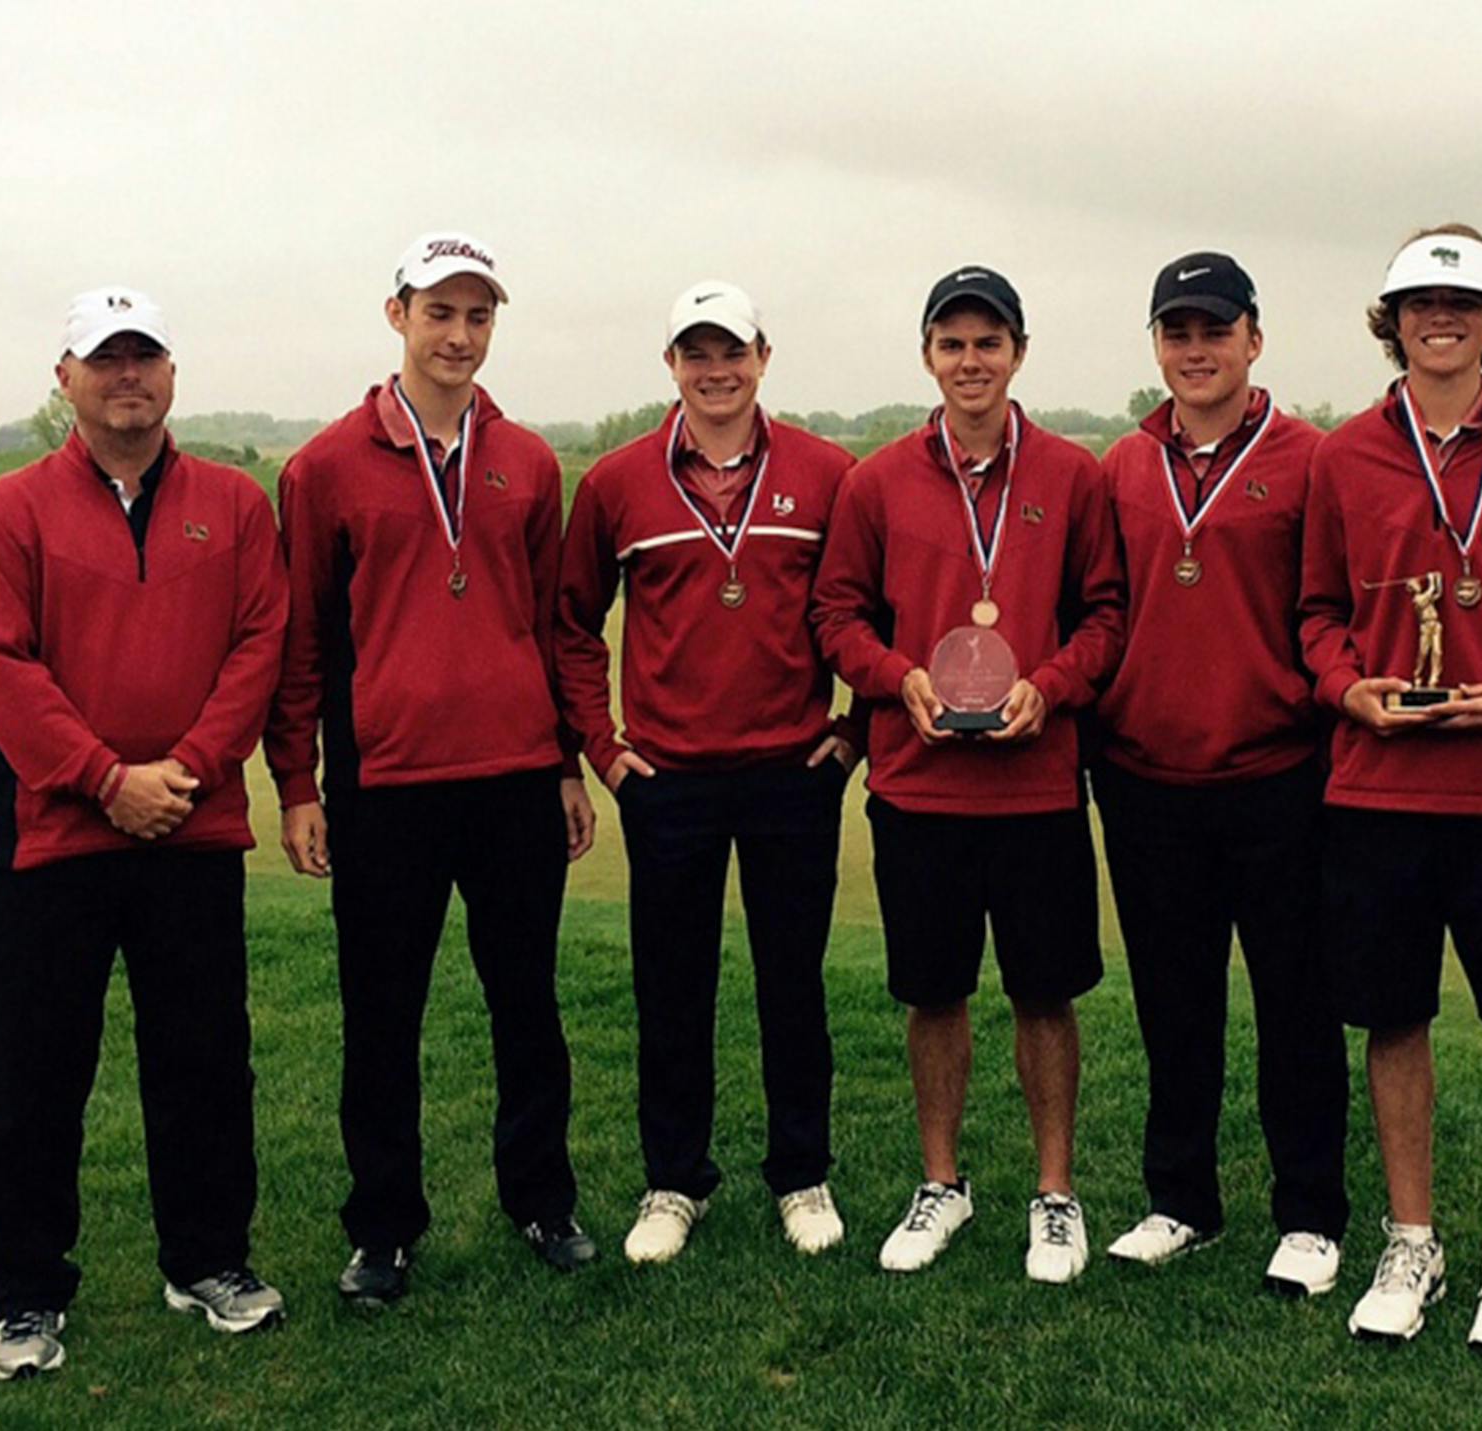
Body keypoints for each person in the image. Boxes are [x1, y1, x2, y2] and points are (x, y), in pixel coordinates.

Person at [0, 286, 289, 1379]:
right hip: (53, 840)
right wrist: (106, 780)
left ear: (173, 373)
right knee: (31, 1074)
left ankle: (208, 1261)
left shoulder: (234, 505)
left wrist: (182, 773)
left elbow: (259, 644)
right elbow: (4, 668)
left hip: (193, 831)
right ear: (66, 378)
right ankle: (28, 1294)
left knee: (204, 1061)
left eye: (145, 354)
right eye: (105, 358)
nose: (128, 375)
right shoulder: (6, 511)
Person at [265, 232, 597, 1305]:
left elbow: (548, 627)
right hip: (386, 788)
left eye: (478, 315)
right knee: (382, 1017)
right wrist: (300, 784)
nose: (459, 335)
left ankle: (541, 1198)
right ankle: (383, 1227)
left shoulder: (529, 461)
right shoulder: (324, 467)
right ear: (397, 315)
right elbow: (303, 644)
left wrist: (566, 764)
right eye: (440, 312)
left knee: (527, 1005)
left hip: (514, 779)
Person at [1298, 225, 1482, 1354]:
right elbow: (1317, 611)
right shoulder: (1342, 456)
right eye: (1420, 302)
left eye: (1462, 305)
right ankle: (1411, 1237)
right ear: (1394, 321)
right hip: (1377, 786)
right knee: (1394, 1015)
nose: (1441, 319)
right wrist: (1346, 688)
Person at [811, 266, 1124, 1284]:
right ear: (928, 357)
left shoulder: (1073, 475)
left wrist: (1052, 686)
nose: (971, 361)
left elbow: (1105, 616)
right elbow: (836, 616)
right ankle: (941, 1182)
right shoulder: (876, 482)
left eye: (989, 342)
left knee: (1045, 994)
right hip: (919, 786)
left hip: (1036, 786)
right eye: (952, 343)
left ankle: (1055, 1194)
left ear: (1019, 353)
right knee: (934, 994)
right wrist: (895, 677)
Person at [556, 281, 857, 1263]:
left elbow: (873, 610)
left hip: (792, 772)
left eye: (732, 350)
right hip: (669, 779)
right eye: (696, 352)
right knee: (671, 988)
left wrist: (854, 733)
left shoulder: (826, 473)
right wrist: (603, 747)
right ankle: (673, 1180)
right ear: (671, 365)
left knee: (792, 984)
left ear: (763, 357)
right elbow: (571, 625)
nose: (716, 370)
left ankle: (801, 1174)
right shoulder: (617, 483)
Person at [1091, 253, 1349, 1295]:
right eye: (1177, 332)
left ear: (1254, 337)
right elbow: (1101, 610)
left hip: (1277, 771)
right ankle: (1181, 1200)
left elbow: (1330, 609)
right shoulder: (1121, 465)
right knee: (1174, 1005)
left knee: (1297, 1004)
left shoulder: (1311, 459)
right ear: (1158, 344)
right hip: (1147, 776)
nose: (1195, 350)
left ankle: (1312, 1214)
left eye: (1214, 330)